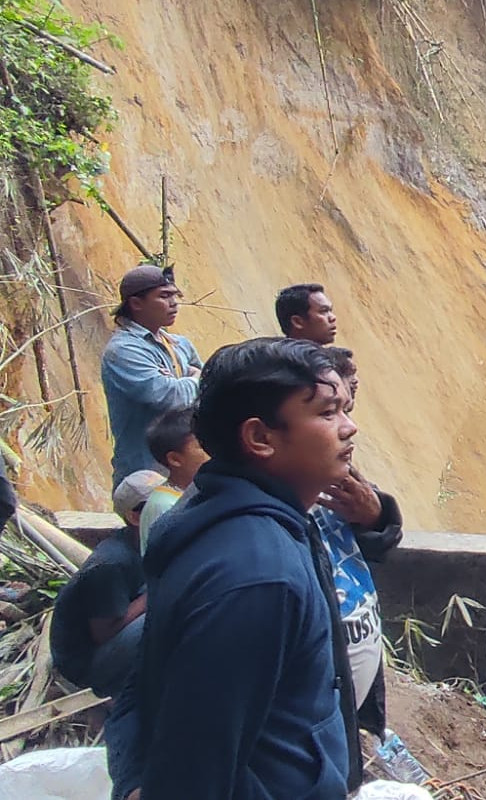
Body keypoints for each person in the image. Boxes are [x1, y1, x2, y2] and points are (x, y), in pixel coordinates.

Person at [129, 337, 359, 800]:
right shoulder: (257, 575)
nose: (349, 428)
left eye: (345, 409)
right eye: (327, 412)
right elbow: (194, 769)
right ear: (259, 438)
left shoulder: (242, 521)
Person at [311, 346, 427, 783]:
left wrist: (374, 514)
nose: (350, 425)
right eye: (330, 410)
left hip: (344, 711)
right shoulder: (253, 540)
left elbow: (378, 541)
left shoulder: (334, 475)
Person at [52, 470, 162, 800]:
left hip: (115, 643)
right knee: (161, 613)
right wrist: (155, 593)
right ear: (134, 515)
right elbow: (104, 633)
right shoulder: (111, 564)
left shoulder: (145, 543)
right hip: (89, 663)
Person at [101, 265, 204, 487]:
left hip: (183, 470)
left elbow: (210, 385)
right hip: (145, 475)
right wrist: (194, 379)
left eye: (175, 295)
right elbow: (170, 396)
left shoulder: (179, 344)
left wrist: (188, 382)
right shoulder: (124, 351)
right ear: (136, 303)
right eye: (164, 296)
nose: (174, 302)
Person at [138, 405, 209, 552]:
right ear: (175, 459)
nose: (212, 451)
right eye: (202, 446)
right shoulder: (164, 505)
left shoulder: (195, 491)